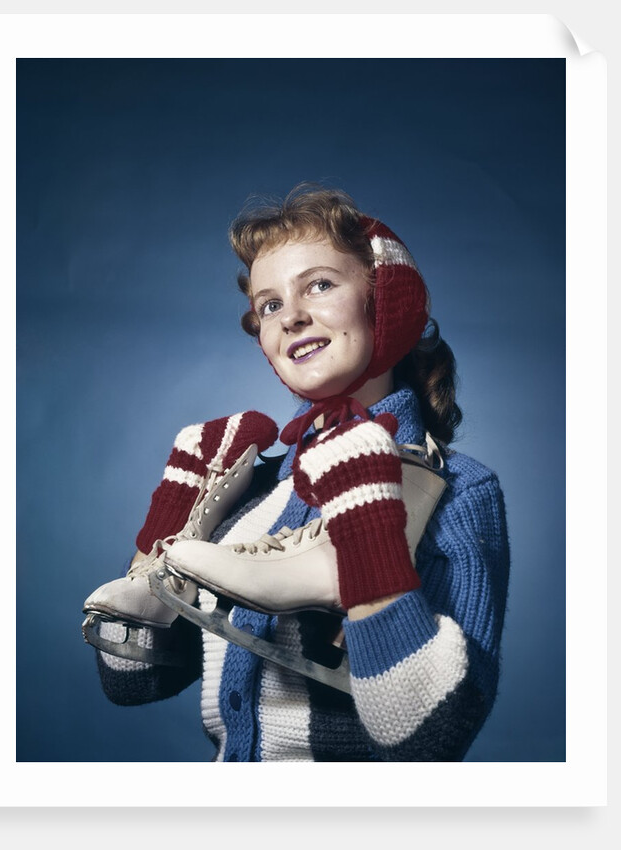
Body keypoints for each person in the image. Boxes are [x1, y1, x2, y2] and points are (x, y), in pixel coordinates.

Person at [82, 184, 510, 762]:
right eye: (270, 304)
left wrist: (367, 544)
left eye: (320, 284)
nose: (292, 317)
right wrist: (166, 527)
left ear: (383, 301)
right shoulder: (254, 493)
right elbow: (132, 682)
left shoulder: (460, 490)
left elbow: (434, 739)